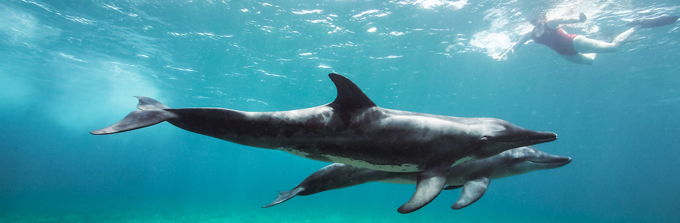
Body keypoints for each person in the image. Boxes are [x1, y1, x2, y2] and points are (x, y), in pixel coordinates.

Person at [495, 13, 678, 65]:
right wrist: (505, 54)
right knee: (590, 61)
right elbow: (516, 45)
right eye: (532, 20)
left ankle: (637, 24)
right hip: (564, 53)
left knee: (614, 48)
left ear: (542, 18)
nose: (535, 21)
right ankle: (600, 39)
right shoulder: (530, 34)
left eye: (537, 19)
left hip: (574, 42)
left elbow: (570, 19)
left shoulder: (551, 22)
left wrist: (579, 18)